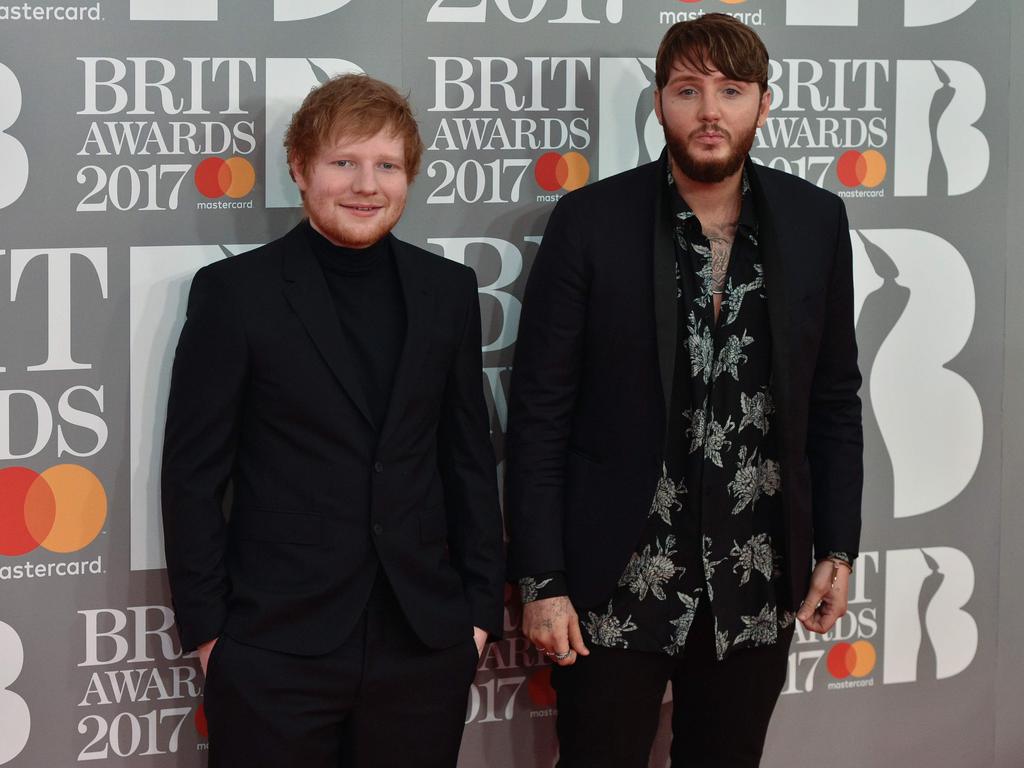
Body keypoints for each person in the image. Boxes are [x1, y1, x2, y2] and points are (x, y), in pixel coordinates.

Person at [506, 14, 862, 767]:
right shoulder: (590, 221)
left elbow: (833, 401)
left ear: (763, 105)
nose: (709, 110)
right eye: (687, 89)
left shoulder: (816, 221)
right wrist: (543, 581)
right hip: (614, 579)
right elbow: (539, 414)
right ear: (659, 102)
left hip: (758, 577)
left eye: (731, 90)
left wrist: (836, 545)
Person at [161, 74, 504, 768]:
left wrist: (474, 618)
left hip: (422, 644)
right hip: (274, 649)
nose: (365, 185)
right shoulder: (236, 294)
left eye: (386, 165)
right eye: (343, 162)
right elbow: (193, 476)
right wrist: (213, 641)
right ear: (299, 169)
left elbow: (466, 458)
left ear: (409, 175)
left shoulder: (447, 291)